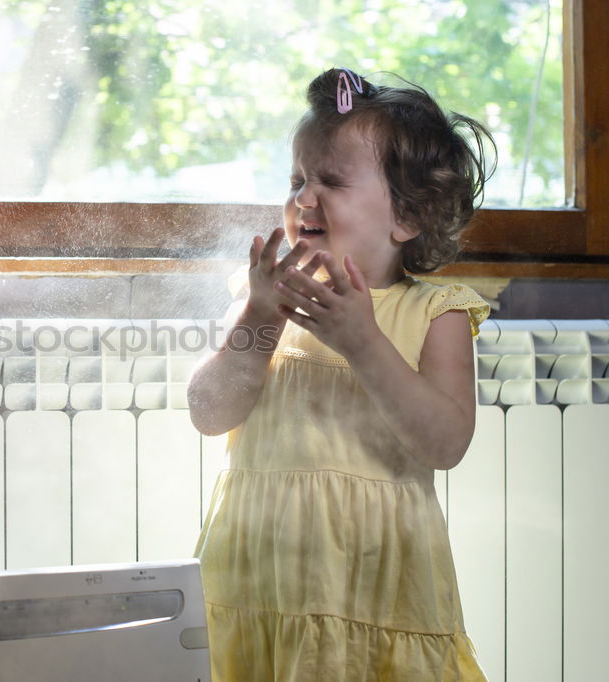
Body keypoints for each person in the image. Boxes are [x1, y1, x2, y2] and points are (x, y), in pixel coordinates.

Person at [188, 67, 495, 681]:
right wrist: (258, 317)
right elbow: (209, 410)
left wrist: (364, 342)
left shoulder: (436, 314)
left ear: (407, 216)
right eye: (298, 179)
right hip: (254, 585)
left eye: (331, 181)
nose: (304, 198)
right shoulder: (267, 300)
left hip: (376, 588)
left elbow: (445, 443)